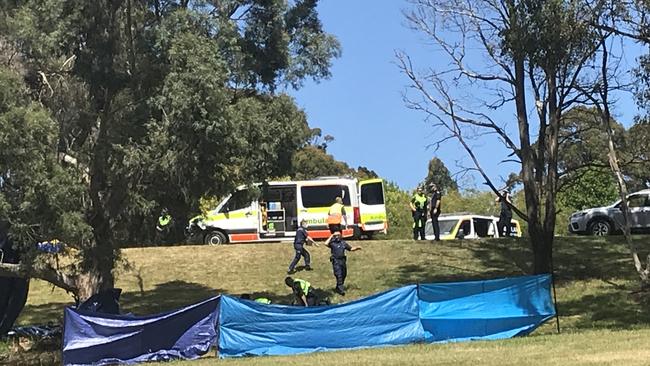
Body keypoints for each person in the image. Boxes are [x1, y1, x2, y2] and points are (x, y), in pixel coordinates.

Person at [324, 231, 362, 296]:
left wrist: (357, 248)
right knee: (339, 275)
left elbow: (351, 249)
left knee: (344, 274)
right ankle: (341, 290)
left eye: (338, 235)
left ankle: (338, 286)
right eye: (336, 236)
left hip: (343, 261)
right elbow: (325, 243)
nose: (337, 237)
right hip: (336, 261)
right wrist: (331, 236)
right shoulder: (332, 243)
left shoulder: (343, 243)